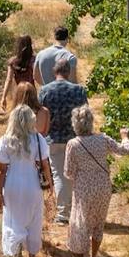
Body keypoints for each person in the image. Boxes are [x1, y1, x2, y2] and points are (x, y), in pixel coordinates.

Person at [63, 104, 129, 257]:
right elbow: (125, 150)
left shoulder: (73, 144)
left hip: (83, 189)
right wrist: (125, 137)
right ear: (91, 122)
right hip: (103, 187)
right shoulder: (102, 139)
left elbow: (68, 172)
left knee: (83, 223)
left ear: (75, 124)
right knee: (98, 224)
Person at [0, 102, 51, 257]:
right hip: (32, 184)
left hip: (12, 184)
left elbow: (2, 170)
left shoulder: (5, 141)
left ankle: (16, 247)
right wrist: (49, 183)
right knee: (34, 220)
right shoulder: (38, 139)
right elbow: (45, 164)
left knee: (13, 218)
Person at [37, 55, 89, 227]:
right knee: (75, 175)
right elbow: (85, 115)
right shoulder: (79, 90)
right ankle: (74, 210)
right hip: (74, 138)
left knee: (59, 175)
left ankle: (62, 214)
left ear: (54, 71)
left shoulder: (45, 90)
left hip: (53, 138)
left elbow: (39, 115)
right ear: (69, 71)